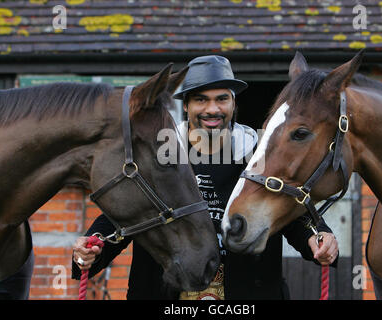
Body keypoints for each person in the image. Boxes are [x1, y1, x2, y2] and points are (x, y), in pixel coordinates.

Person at [71, 55, 339, 300]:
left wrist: (317, 237)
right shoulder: (159, 154)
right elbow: (125, 210)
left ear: (234, 103)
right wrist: (94, 245)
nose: (213, 109)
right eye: (201, 99)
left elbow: (289, 206)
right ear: (186, 106)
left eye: (222, 98)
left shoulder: (260, 153)